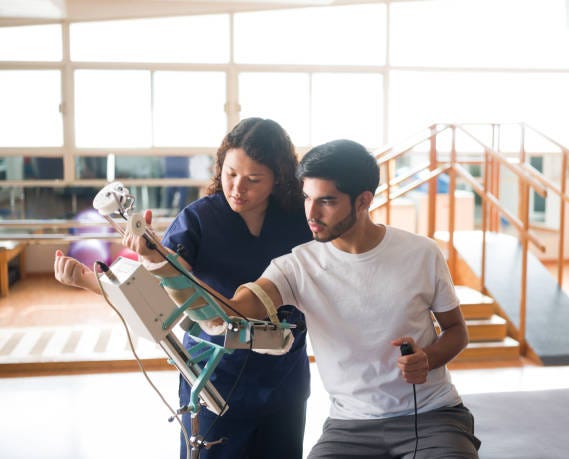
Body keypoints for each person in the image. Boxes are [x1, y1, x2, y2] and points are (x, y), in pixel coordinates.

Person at [137, 139, 481, 458]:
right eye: (306, 198)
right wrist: (161, 265)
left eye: (326, 201)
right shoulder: (296, 265)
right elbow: (226, 316)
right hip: (349, 426)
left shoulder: (421, 253)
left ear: (363, 200)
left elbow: (456, 332)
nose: (311, 213)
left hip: (433, 415)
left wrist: (429, 358)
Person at [54, 118, 312, 459]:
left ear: (278, 178)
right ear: (220, 165)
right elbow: (158, 296)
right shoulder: (198, 219)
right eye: (230, 173)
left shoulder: (299, 221)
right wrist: (92, 279)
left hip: (284, 379)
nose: (237, 188)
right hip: (214, 375)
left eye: (253, 180)